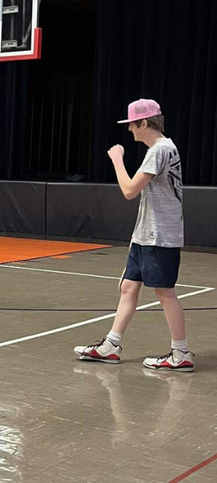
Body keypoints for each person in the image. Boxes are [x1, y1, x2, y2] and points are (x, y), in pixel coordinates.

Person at [74, 98, 192, 371]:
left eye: (132, 125)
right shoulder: (163, 148)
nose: (129, 130)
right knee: (128, 287)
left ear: (144, 123)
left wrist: (117, 160)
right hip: (145, 234)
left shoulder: (159, 150)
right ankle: (111, 346)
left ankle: (181, 353)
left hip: (159, 236)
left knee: (164, 292)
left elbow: (129, 190)